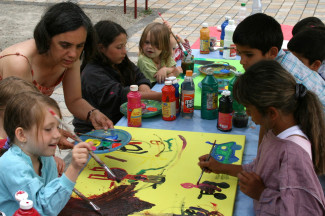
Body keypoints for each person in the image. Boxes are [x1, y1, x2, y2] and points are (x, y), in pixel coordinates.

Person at [198, 60, 325, 215]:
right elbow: (260, 170)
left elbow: (305, 211)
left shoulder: (293, 154)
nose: (247, 114)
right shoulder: (274, 132)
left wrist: (261, 194)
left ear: (271, 113)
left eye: (249, 109)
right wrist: (220, 167)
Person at [0, 2, 114, 137]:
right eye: (65, 45)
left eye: (80, 46)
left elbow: (74, 100)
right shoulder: (19, 62)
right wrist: (54, 134)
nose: (73, 53)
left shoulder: (69, 58)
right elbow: (18, 117)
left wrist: (93, 113)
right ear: (47, 38)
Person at [0, 92, 93, 215]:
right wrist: (73, 169)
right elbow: (40, 210)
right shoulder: (12, 165)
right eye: (48, 129)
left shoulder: (45, 157)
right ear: (22, 135)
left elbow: (53, 198)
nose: (57, 135)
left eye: (57, 127)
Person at [73, 20, 161, 133]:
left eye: (125, 45)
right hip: (94, 132)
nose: (124, 51)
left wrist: (145, 88)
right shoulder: (92, 74)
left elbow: (138, 75)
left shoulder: (118, 60)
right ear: (101, 48)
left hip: (119, 121)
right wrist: (158, 97)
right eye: (119, 47)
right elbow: (120, 96)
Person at [0, 76, 65, 177]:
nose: (57, 135)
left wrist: (51, 160)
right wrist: (72, 171)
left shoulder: (32, 134)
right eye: (48, 129)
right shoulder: (10, 160)